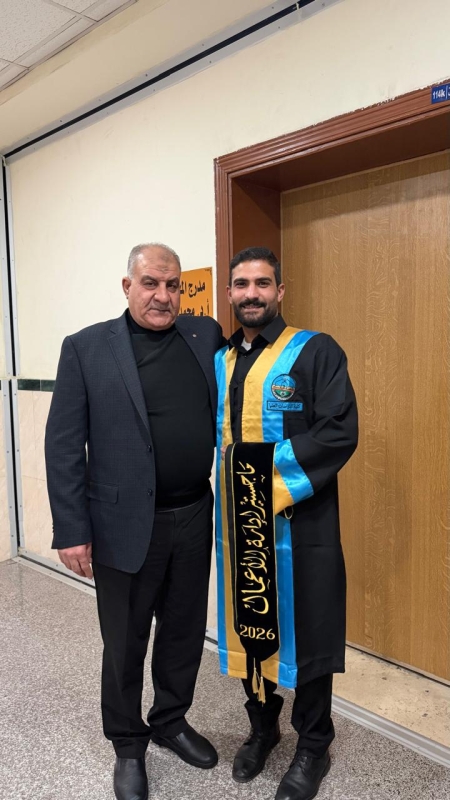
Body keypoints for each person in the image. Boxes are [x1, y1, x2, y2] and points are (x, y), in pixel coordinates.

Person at [45, 243, 224, 800]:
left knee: (184, 630)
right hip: (121, 523)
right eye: (150, 283)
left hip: (193, 514)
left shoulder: (204, 335)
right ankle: (127, 744)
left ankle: (170, 720)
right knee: (124, 640)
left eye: (173, 285)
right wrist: (72, 529)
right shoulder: (86, 348)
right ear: (128, 286)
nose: (162, 296)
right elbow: (63, 445)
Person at [215, 247, 358, 800]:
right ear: (230, 293)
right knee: (250, 620)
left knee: (308, 628)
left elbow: (338, 431)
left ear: (280, 290)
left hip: (301, 523)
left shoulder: (315, 351)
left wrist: (260, 483)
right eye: (241, 284)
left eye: (262, 283)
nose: (251, 293)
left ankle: (314, 744)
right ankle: (262, 727)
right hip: (240, 528)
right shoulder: (221, 360)